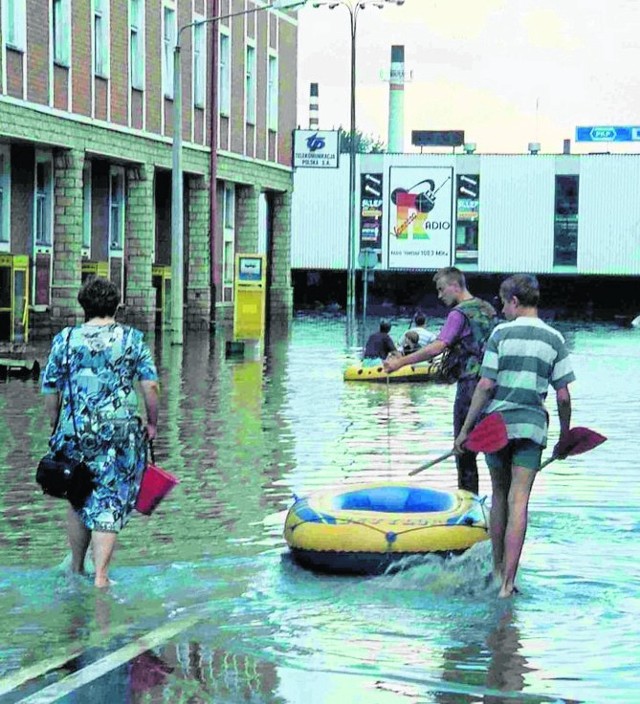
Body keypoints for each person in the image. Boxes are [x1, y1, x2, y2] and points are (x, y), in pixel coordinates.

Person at [454, 274, 574, 598]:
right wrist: (564, 436)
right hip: (532, 426)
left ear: (515, 302)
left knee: (499, 497)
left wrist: (466, 431)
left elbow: (485, 385)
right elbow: (562, 396)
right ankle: (509, 583)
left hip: (497, 428)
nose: (502, 310)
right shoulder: (554, 338)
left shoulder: (500, 334)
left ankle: (495, 572)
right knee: (518, 501)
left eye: (503, 303)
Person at [41, 277, 159, 588]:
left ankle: (77, 568)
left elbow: (50, 390)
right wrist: (152, 423)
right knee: (108, 500)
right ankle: (101, 577)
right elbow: (150, 386)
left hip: (74, 431)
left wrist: (55, 426)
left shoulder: (65, 340)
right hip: (118, 434)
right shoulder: (133, 339)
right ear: (117, 305)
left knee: (77, 495)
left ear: (83, 305)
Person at [384, 267, 497, 493]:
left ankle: (468, 506)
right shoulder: (488, 309)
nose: (439, 295)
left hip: (469, 385)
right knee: (493, 451)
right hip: (494, 384)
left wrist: (400, 363)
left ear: (455, 286)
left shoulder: (458, 313)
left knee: (463, 449)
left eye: (441, 289)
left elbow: (438, 347)